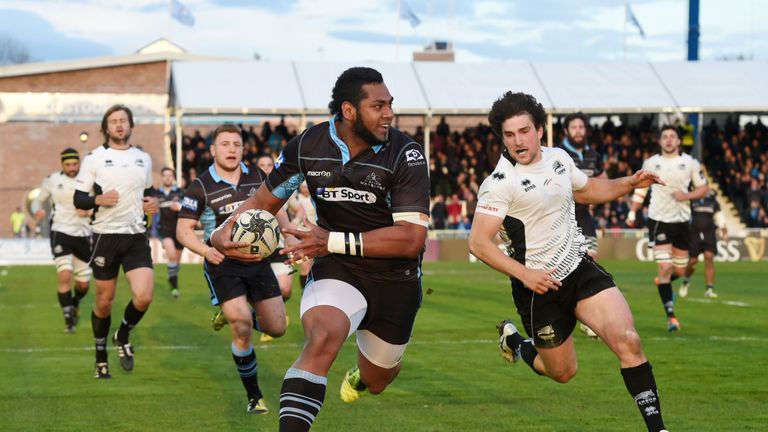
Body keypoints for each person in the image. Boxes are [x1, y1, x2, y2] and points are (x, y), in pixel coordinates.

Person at [210, 67, 430, 431]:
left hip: (396, 278)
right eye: (378, 106)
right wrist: (222, 231)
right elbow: (263, 202)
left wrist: (328, 240)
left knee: (378, 380)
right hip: (338, 268)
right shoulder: (307, 146)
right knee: (323, 336)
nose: (389, 113)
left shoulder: (406, 154)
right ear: (348, 110)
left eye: (390, 104)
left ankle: (362, 374)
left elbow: (410, 240)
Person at [468, 91, 668, 432]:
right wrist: (525, 274)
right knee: (563, 372)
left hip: (578, 269)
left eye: (524, 131)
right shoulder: (500, 184)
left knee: (629, 341)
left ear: (539, 130)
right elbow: (478, 243)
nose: (518, 141)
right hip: (537, 289)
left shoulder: (559, 158)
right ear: (502, 138)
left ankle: (658, 428)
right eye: (510, 134)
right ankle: (516, 342)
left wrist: (629, 183)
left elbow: (587, 190)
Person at [176, 124, 289, 414]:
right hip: (223, 265)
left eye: (236, 144)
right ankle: (254, 397)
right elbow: (183, 231)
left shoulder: (258, 176)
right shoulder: (200, 186)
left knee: (277, 328)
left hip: (259, 263)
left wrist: (288, 235)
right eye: (224, 144)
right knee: (241, 324)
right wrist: (206, 250)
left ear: (243, 149)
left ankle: (234, 313)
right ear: (213, 150)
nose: (231, 149)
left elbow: (277, 209)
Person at [74, 104, 159, 379]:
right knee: (104, 302)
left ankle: (122, 335)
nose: (119, 125)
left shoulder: (143, 158)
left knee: (144, 297)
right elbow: (79, 198)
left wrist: (152, 201)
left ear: (130, 125)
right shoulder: (94, 159)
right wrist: (98, 199)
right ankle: (101, 359)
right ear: (105, 128)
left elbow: (149, 191)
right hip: (105, 237)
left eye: (123, 120)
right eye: (113, 121)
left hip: (135, 236)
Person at [627, 125, 708, 331]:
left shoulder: (689, 162)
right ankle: (671, 316)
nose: (669, 140)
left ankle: (662, 282)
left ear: (679, 141)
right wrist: (633, 211)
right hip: (658, 220)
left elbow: (703, 188)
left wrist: (687, 196)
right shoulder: (651, 163)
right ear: (660, 141)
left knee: (679, 270)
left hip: (682, 221)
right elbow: (640, 190)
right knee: (665, 267)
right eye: (665, 136)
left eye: (673, 136)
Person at [558, 112, 606, 339]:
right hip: (562, 216)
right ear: (566, 131)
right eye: (573, 127)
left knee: (589, 260)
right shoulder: (558, 154)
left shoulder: (593, 155)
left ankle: (587, 317)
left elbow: (602, 179)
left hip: (584, 216)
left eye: (581, 127)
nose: (578, 130)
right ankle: (568, 312)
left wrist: (599, 195)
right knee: (565, 268)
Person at [34, 148, 92, 333]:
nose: (72, 168)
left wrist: (90, 211)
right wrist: (37, 209)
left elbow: (99, 205)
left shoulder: (89, 180)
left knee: (83, 284)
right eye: (68, 165)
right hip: (60, 231)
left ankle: (75, 302)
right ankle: (69, 320)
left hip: (83, 234)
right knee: (64, 275)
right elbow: (38, 199)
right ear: (62, 164)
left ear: (79, 163)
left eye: (75, 164)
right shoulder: (52, 180)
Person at [680, 191, 726, 299]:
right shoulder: (691, 199)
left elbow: (719, 215)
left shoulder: (712, 201)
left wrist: (723, 228)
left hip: (709, 233)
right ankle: (686, 281)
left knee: (709, 257)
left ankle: (709, 289)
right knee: (693, 261)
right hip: (694, 234)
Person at [152, 167, 185, 298]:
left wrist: (180, 207)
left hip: (179, 229)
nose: (167, 177)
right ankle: (175, 287)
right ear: (162, 177)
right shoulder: (156, 194)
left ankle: (172, 277)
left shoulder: (181, 192)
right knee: (171, 254)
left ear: (173, 177)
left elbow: (190, 207)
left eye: (170, 175)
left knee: (176, 260)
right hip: (164, 229)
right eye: (165, 175)